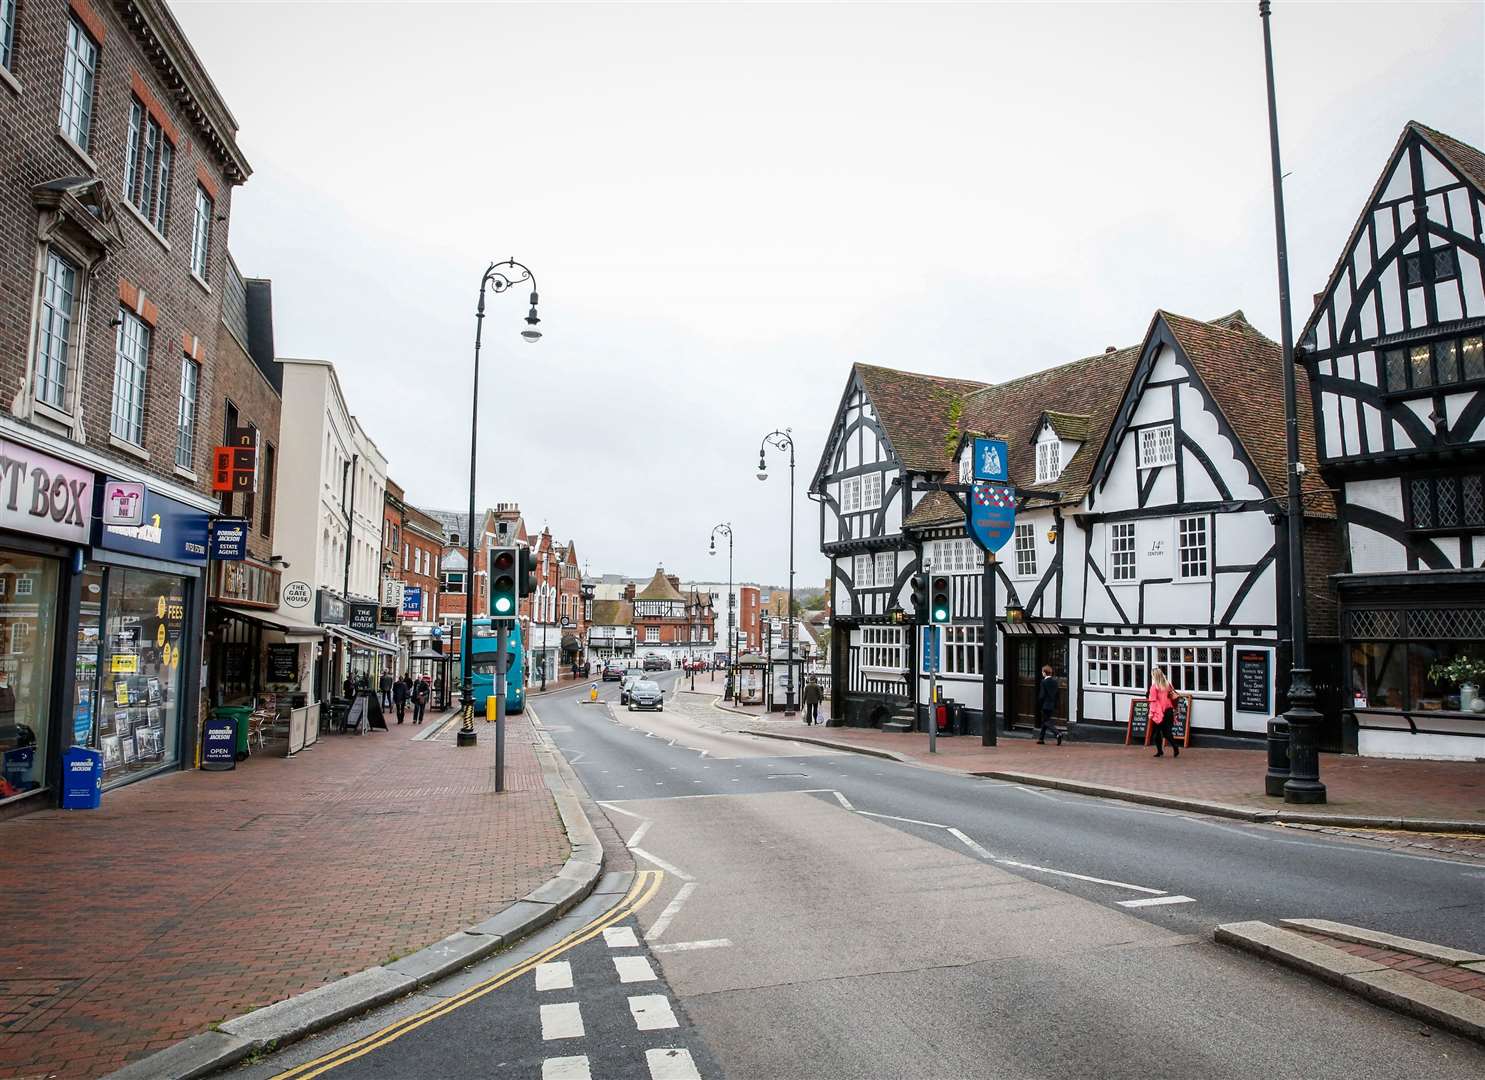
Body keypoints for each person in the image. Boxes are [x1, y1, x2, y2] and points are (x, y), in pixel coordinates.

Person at [1147, 667, 1179, 758]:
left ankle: (1159, 751)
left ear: (1154, 676)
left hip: (1158, 712)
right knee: (1167, 732)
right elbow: (1173, 695)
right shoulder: (1167, 684)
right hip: (1168, 710)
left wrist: (1151, 713)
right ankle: (1175, 747)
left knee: (1157, 733)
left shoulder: (1154, 687)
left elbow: (1153, 701)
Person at [1036, 664, 1062, 745]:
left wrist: (1040, 703)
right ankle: (1041, 739)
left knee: (1046, 721)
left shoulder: (1043, 682)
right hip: (1052, 704)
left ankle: (1057, 733)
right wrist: (1056, 704)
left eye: (1042, 672)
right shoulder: (1055, 682)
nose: (1042, 673)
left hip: (1045, 705)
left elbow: (1042, 695)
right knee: (1045, 720)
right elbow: (1057, 694)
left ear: (1044, 672)